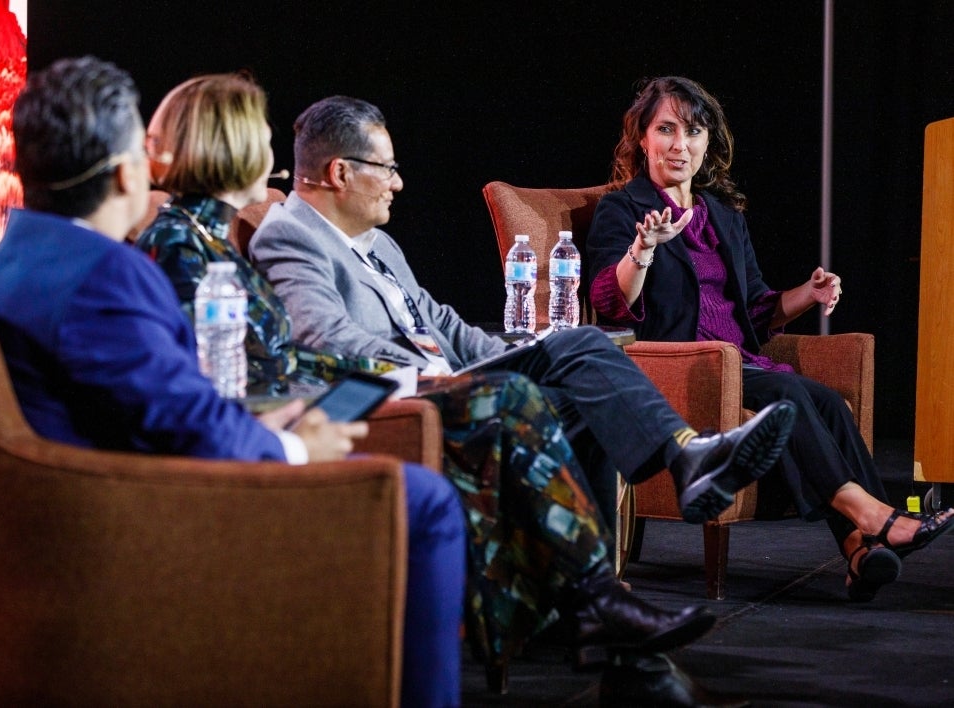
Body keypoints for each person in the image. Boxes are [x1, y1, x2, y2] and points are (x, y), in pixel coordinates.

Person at [134, 74, 726, 692]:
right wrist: (426, 378)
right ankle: (612, 587)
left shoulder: (312, 244)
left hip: (383, 386)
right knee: (533, 384)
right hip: (364, 401)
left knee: (575, 359)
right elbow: (293, 352)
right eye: (260, 140)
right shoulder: (213, 240)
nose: (277, 160)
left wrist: (508, 353)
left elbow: (437, 320)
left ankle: (608, 618)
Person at [0, 57, 465, 708]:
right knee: (425, 502)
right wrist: (293, 449)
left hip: (85, 495)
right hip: (143, 521)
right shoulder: (104, 276)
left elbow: (152, 400)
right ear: (127, 172)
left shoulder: (7, 259)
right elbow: (181, 425)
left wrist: (261, 424)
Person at [585, 75, 954, 603]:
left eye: (692, 131)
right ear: (641, 137)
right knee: (793, 395)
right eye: (665, 129)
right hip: (684, 366)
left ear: (707, 142)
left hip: (743, 362)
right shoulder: (622, 210)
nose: (679, 145)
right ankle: (874, 516)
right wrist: (642, 248)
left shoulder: (724, 216)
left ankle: (860, 551)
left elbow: (755, 308)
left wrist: (809, 292)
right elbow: (611, 302)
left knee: (825, 400)